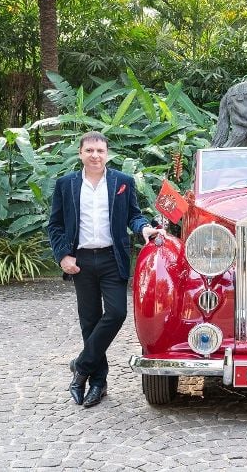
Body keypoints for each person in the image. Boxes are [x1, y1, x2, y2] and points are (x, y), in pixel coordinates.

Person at [47, 131, 160, 408]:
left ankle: (81, 367)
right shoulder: (66, 184)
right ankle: (98, 382)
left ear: (107, 153)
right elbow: (56, 225)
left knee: (117, 313)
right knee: (89, 320)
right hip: (81, 262)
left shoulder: (122, 182)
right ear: (80, 154)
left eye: (100, 150)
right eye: (89, 151)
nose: (95, 155)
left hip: (112, 259)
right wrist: (63, 256)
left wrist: (143, 228)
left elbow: (134, 215)